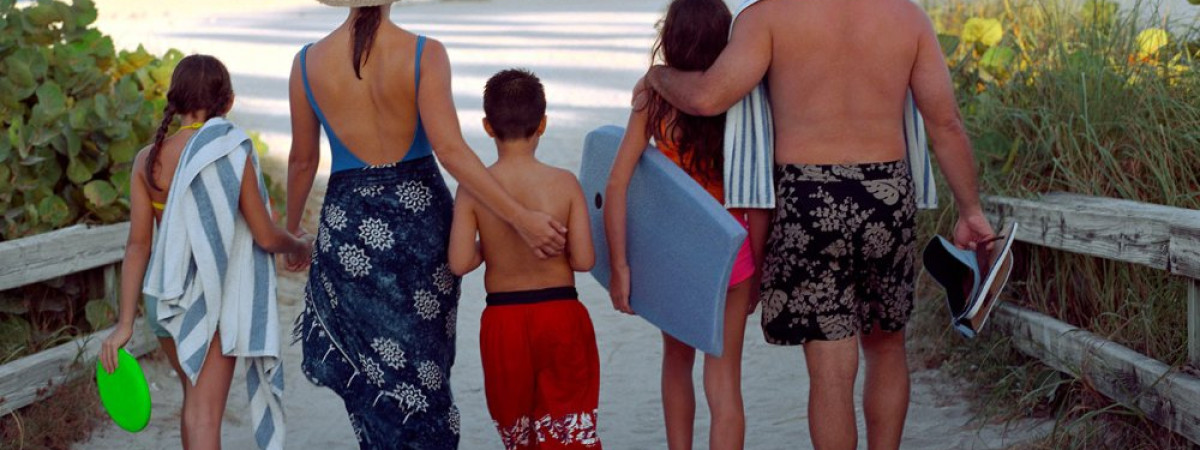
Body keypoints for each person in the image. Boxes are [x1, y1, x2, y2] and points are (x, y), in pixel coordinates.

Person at [645, 0, 997, 448]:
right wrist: (971, 211)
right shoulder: (907, 17)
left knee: (831, 369)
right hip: (886, 196)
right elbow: (946, 123)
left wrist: (658, 75)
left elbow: (706, 97)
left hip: (808, 198)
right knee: (887, 348)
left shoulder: (768, 16)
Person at [286, 1, 568, 447]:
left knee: (375, 380)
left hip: (349, 231)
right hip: (421, 230)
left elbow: (303, 161)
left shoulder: (306, 64)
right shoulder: (423, 53)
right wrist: (520, 217)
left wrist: (292, 233)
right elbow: (451, 150)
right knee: (426, 373)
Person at [100, 54, 312, 450]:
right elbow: (265, 236)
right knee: (203, 415)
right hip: (209, 295)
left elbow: (138, 245)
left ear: (175, 100)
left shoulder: (148, 159)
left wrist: (125, 322)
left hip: (162, 297)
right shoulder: (229, 152)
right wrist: (299, 244)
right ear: (228, 102)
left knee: (194, 405)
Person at [604, 1, 758, 449]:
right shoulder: (743, 95)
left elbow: (616, 184)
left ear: (669, 37)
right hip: (733, 253)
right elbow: (760, 196)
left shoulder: (653, 96)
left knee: (676, 362)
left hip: (677, 253)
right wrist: (761, 268)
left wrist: (620, 265)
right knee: (725, 380)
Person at [448, 69, 601, 450]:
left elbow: (459, 263)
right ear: (542, 124)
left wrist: (492, 244)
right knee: (568, 431)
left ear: (487, 126)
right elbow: (584, 260)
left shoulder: (472, 190)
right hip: (560, 316)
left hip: (504, 322)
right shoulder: (564, 183)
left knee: (520, 435)